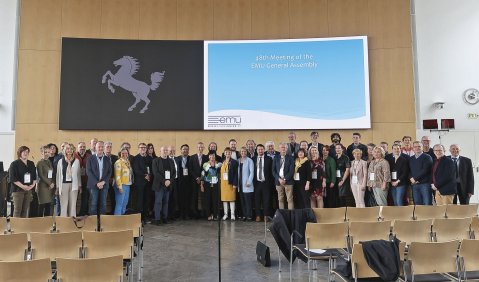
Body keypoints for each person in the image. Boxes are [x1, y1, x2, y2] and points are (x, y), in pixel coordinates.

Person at [9, 146, 36, 218]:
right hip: (17, 190)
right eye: (24, 151)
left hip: (28, 190)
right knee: (17, 210)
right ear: (20, 153)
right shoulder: (14, 164)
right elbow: (12, 178)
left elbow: (34, 177)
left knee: (25, 210)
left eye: (27, 152)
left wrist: (32, 186)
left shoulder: (31, 163)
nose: (25, 153)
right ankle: (15, 228)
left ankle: (22, 227)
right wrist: (23, 186)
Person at [86, 141, 112, 215]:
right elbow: (88, 171)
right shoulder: (90, 158)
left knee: (103, 204)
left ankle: (102, 223)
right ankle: (94, 223)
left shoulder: (107, 159)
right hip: (93, 185)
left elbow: (109, 172)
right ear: (95, 148)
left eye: (102, 147)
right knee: (93, 204)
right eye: (99, 147)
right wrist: (97, 183)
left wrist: (103, 182)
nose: (100, 148)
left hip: (104, 185)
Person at [152, 146, 176, 224]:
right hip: (159, 185)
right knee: (158, 202)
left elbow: (174, 173)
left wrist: (170, 181)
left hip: (168, 184)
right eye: (164, 150)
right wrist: (164, 181)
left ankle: (165, 218)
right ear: (160, 151)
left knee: (166, 202)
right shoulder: (155, 161)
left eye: (166, 150)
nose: (165, 151)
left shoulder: (171, 161)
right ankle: (157, 219)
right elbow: (156, 173)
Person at [56, 144, 81, 217]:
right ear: (64, 150)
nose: (69, 150)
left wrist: (80, 186)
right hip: (63, 185)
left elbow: (78, 174)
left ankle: (72, 222)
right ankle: (64, 223)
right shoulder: (60, 161)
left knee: (72, 205)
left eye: (71, 149)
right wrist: (57, 187)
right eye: (67, 149)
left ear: (73, 150)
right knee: (64, 205)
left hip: (74, 185)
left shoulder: (76, 161)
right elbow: (58, 175)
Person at [133, 143, 153, 222]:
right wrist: (144, 176)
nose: (143, 149)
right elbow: (136, 170)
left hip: (148, 183)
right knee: (139, 201)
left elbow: (152, 169)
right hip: (139, 183)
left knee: (147, 200)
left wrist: (150, 175)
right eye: (141, 147)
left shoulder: (149, 158)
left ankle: (145, 217)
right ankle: (139, 219)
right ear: (138, 148)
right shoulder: (136, 158)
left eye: (144, 147)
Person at [253, 144, 273, 221]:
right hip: (257, 183)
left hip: (266, 183)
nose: (260, 151)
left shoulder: (269, 159)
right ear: (256, 150)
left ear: (264, 150)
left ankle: (266, 215)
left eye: (262, 149)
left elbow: (271, 172)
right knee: (257, 200)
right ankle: (258, 215)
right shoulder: (253, 159)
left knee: (266, 199)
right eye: (259, 149)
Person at [272, 142, 295, 209]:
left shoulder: (291, 158)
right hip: (278, 182)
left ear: (287, 149)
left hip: (288, 181)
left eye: (285, 147)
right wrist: (279, 179)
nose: (283, 149)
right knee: (280, 199)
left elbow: (291, 171)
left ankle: (291, 216)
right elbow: (273, 171)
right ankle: (282, 216)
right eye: (282, 147)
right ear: (279, 149)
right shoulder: (275, 158)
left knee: (289, 199)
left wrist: (285, 179)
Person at [189, 142, 208, 219]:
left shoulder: (206, 157)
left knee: (203, 197)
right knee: (194, 197)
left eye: (201, 147)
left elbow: (207, 169)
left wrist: (202, 178)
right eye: (199, 147)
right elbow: (190, 169)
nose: (200, 149)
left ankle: (203, 213)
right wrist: (197, 178)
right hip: (194, 180)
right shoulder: (192, 157)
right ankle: (194, 213)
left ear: (203, 148)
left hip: (203, 180)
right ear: (197, 148)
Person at [201, 151, 222, 221]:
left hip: (216, 184)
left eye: (213, 156)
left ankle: (216, 215)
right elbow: (203, 175)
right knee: (208, 200)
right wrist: (202, 185)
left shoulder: (219, 164)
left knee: (215, 200)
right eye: (211, 156)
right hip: (207, 184)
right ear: (209, 157)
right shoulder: (205, 164)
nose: (212, 157)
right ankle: (209, 214)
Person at [220, 147, 238, 221]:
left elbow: (236, 174)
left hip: (231, 183)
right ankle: (225, 214)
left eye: (229, 153)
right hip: (223, 184)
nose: (228, 154)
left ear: (231, 153)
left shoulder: (234, 162)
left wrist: (235, 183)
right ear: (224, 153)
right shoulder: (222, 162)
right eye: (226, 153)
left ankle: (232, 214)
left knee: (231, 199)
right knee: (224, 199)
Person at [114, 147, 133, 215]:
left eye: (126, 153)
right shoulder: (118, 162)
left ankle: (122, 220)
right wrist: (120, 187)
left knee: (125, 203)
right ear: (120, 154)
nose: (125, 154)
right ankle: (117, 222)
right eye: (123, 153)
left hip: (128, 185)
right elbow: (117, 176)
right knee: (119, 204)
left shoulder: (127, 162)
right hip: (121, 185)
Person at [37, 146, 55, 216]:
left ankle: (47, 224)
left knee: (48, 206)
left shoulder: (49, 162)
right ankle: (39, 224)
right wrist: (50, 183)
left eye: (48, 152)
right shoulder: (40, 163)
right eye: (45, 152)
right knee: (42, 206)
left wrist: (52, 183)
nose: (47, 154)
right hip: (43, 187)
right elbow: (41, 175)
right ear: (42, 153)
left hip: (49, 187)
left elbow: (51, 173)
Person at [176, 144, 192, 219]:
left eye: (186, 149)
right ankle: (181, 214)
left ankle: (187, 214)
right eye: (183, 149)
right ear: (181, 150)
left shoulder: (191, 158)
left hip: (188, 181)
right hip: (180, 181)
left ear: (188, 151)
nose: (185, 150)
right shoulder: (177, 159)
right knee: (180, 198)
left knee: (188, 198)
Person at [75, 142, 91, 216]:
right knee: (74, 199)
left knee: (85, 199)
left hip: (86, 182)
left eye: (84, 147)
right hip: (75, 182)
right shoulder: (73, 156)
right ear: (77, 148)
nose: (82, 148)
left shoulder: (89, 156)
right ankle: (73, 214)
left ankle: (83, 214)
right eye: (81, 147)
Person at [238, 147, 254, 221]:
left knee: (248, 201)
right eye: (242, 151)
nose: (243, 153)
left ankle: (249, 216)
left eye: (244, 151)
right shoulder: (238, 161)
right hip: (240, 184)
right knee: (242, 201)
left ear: (246, 152)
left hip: (247, 184)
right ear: (240, 153)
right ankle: (244, 215)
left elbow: (252, 172)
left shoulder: (249, 160)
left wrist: (249, 181)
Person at [104, 141, 118, 214]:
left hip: (113, 182)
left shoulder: (115, 158)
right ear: (104, 148)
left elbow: (117, 169)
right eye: (107, 147)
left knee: (113, 199)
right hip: (103, 182)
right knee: (103, 199)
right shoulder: (101, 157)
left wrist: (113, 178)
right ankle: (102, 214)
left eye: (110, 147)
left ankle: (113, 214)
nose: (109, 148)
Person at [167, 146, 179, 220]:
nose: (172, 152)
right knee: (168, 198)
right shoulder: (166, 159)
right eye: (170, 151)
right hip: (168, 181)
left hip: (176, 181)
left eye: (173, 150)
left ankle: (173, 215)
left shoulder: (177, 159)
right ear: (168, 151)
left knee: (174, 199)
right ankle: (167, 215)